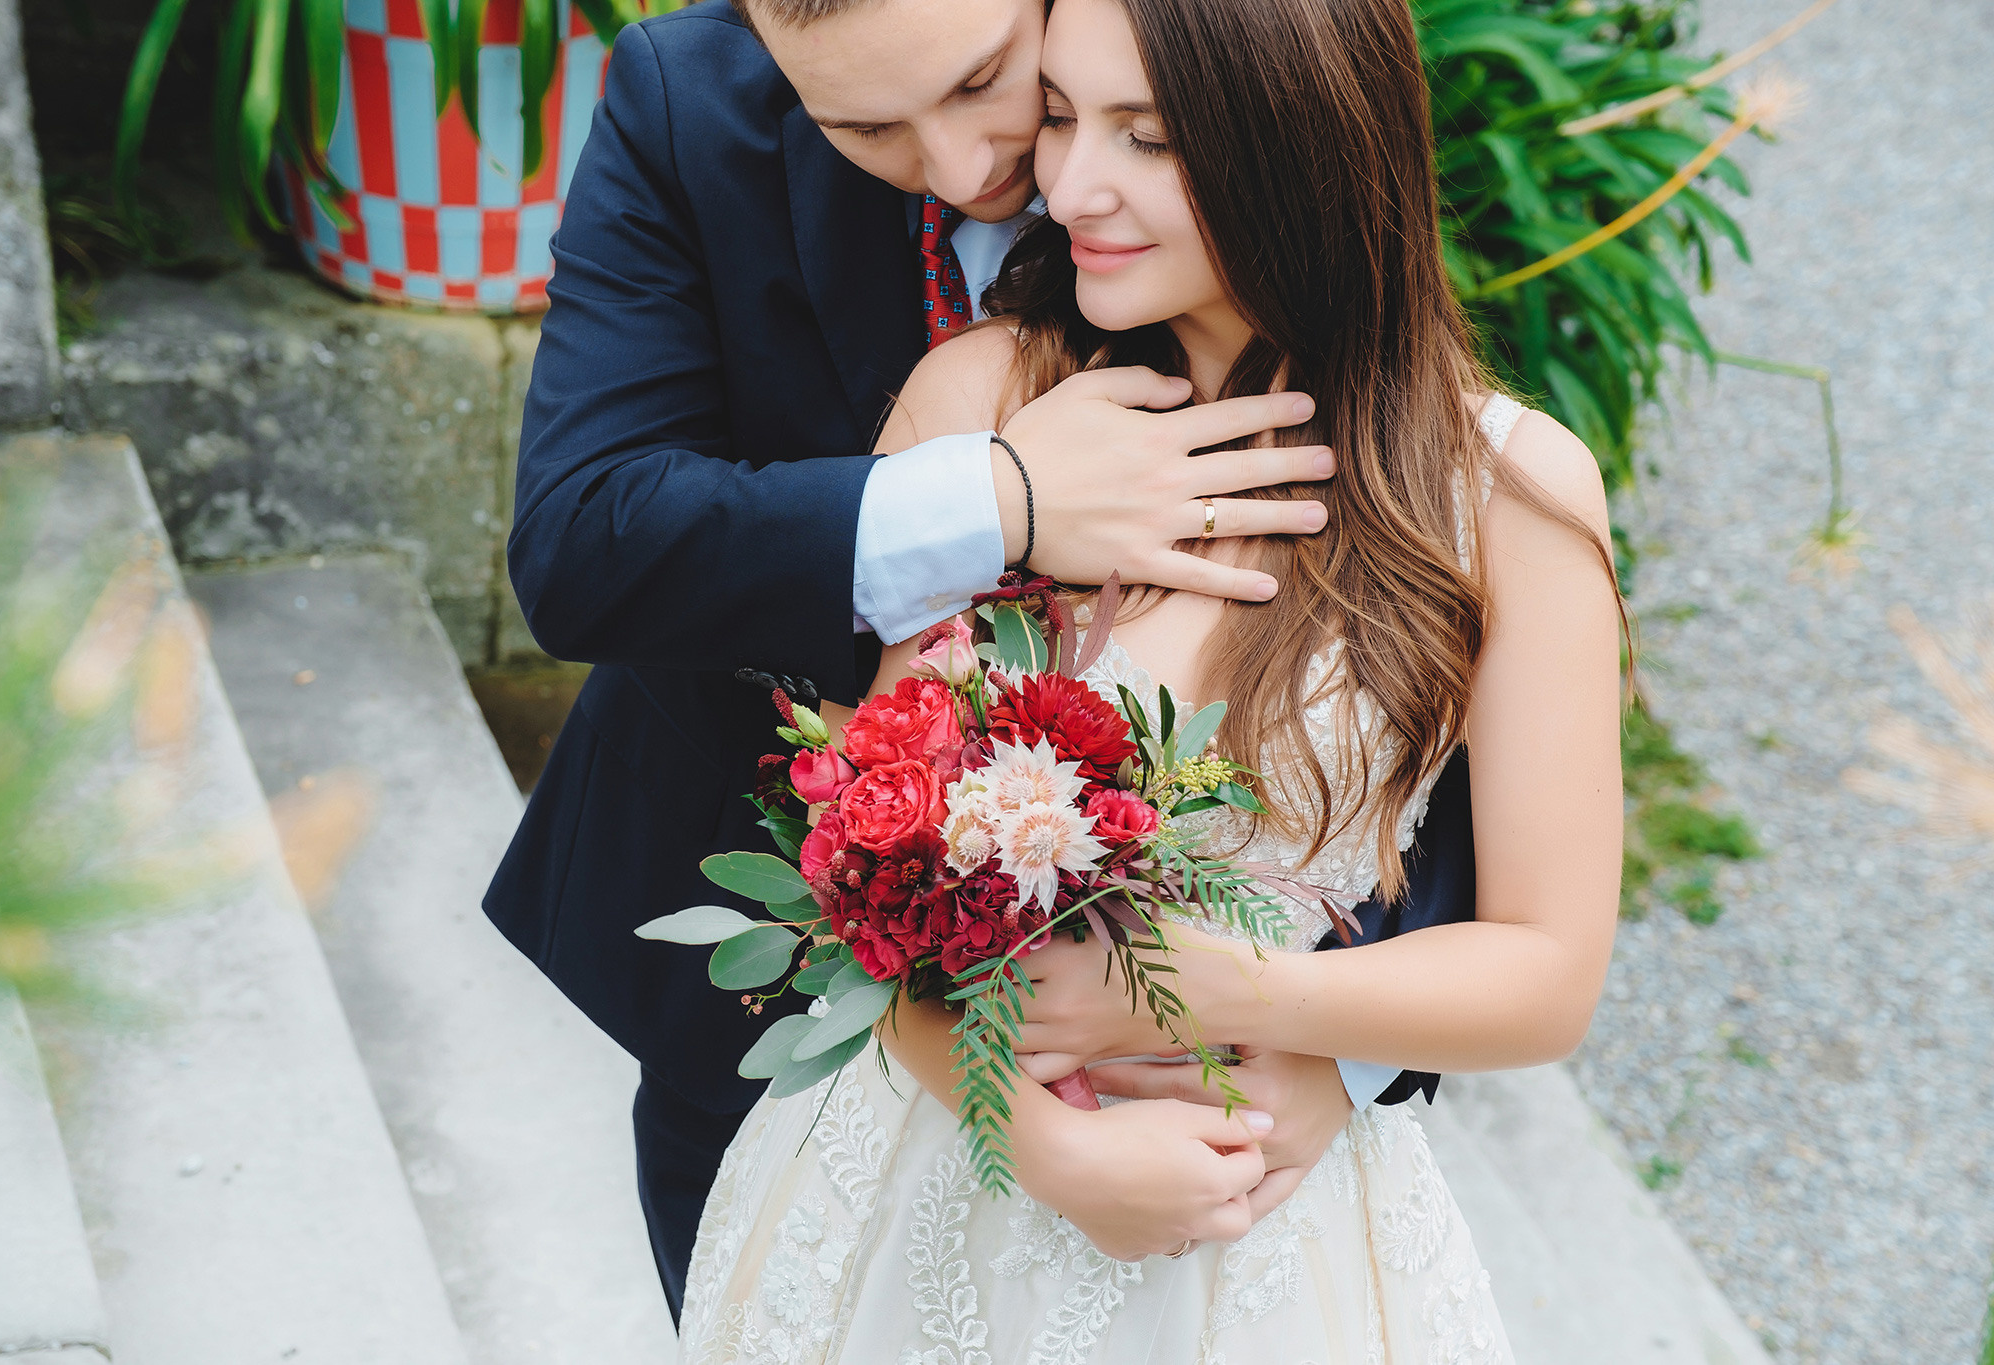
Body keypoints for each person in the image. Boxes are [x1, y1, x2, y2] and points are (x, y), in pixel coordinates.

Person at [486, 0, 1480, 1326]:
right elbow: (580, 544)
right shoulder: (686, 100)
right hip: (787, 1014)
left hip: (1224, 1100)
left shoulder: (1237, 89)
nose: (966, 170)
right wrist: (994, 500)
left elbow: (1411, 676)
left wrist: (1345, 1045)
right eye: (867, 127)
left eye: (983, 84)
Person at [675, 0, 1624, 1357]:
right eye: (1060, 116)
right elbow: (857, 886)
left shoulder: (1502, 500)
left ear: (1300, 139)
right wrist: (1033, 1136)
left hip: (1259, 1239)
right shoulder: (980, 411)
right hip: (928, 1187)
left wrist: (1245, 994)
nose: (1066, 186)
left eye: (1149, 136)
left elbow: (1548, 970)